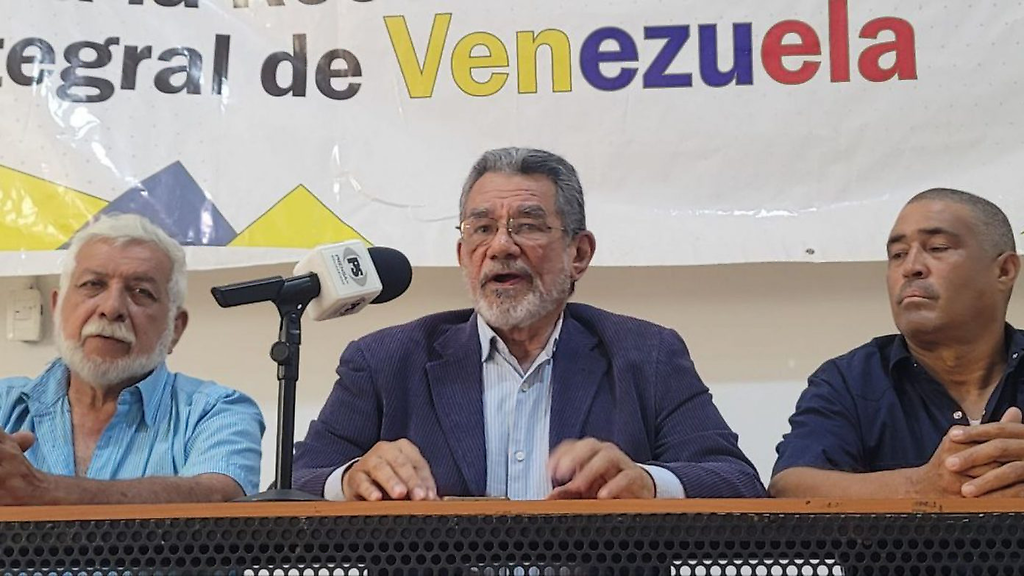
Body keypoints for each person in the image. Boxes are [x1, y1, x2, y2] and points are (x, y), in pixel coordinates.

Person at [293, 147, 763, 500]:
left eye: (528, 225)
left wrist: (648, 483)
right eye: (482, 229)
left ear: (579, 254)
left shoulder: (646, 354)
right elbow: (293, 485)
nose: (501, 246)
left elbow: (739, 482)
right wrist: (350, 479)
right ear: (463, 255)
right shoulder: (385, 361)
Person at [771, 188, 1023, 498]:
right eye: (898, 254)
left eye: (938, 248)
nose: (911, 267)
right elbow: (789, 487)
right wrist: (921, 486)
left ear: (1004, 271)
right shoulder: (851, 380)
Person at [0, 214, 264, 505]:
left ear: (175, 328)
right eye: (93, 284)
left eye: (141, 292)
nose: (112, 308)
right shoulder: (4, 404)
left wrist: (41, 490)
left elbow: (217, 496)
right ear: (56, 308)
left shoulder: (216, 411)